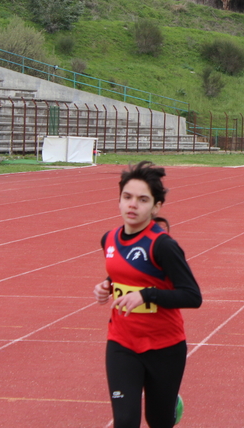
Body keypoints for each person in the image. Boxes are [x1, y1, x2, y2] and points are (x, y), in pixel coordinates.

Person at [93, 161, 202, 428]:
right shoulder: (108, 239)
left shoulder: (163, 245)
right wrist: (106, 286)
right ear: (118, 201)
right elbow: (124, 272)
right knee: (126, 421)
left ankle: (169, 406)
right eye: (127, 197)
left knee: (158, 420)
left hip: (164, 347)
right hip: (122, 343)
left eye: (142, 200)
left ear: (155, 207)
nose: (132, 205)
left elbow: (192, 296)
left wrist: (147, 295)